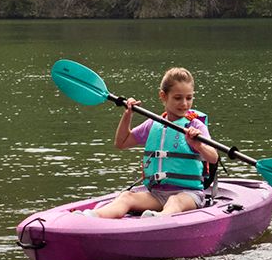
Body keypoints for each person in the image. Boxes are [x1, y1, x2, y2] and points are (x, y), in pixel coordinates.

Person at [92, 66, 222, 218]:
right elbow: (122, 143)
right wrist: (128, 114)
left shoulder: (194, 126)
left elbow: (213, 157)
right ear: (163, 96)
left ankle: (157, 219)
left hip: (188, 195)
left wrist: (198, 145)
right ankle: (92, 217)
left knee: (174, 201)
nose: (184, 104)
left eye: (189, 98)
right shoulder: (153, 124)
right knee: (126, 197)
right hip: (156, 195)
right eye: (178, 98)